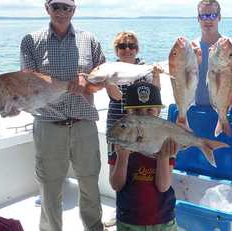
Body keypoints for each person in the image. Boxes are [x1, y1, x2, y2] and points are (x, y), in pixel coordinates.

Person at [20, 0, 105, 230]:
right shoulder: (30, 41)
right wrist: (68, 84)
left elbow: (104, 75)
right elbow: (27, 82)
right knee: (49, 186)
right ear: (46, 8)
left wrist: (88, 78)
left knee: (89, 181)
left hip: (83, 123)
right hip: (48, 125)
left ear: (74, 10)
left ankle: (94, 226)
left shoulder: (90, 40)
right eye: (56, 6)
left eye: (67, 7)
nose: (61, 12)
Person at [104, 31, 163, 228]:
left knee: (142, 165)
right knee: (118, 165)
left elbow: (155, 93)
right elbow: (116, 96)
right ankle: (121, 207)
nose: (127, 49)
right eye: (122, 46)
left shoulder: (144, 68)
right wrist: (107, 79)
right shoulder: (110, 70)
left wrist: (155, 74)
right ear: (116, 50)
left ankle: (148, 206)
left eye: (131, 45)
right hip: (118, 122)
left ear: (137, 49)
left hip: (143, 125)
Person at [108, 82, 178, 231]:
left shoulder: (165, 141)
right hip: (129, 221)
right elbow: (116, 185)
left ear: (158, 113)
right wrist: (122, 157)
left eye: (149, 111)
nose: (143, 116)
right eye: (137, 111)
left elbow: (163, 186)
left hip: (163, 220)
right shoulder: (119, 141)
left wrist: (164, 157)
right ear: (128, 114)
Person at [194, 0, 232, 106]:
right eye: (203, 16)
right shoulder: (192, 48)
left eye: (212, 15)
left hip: (225, 109)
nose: (208, 20)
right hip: (198, 111)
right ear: (198, 19)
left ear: (219, 17)